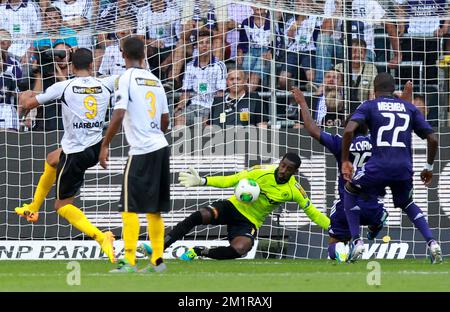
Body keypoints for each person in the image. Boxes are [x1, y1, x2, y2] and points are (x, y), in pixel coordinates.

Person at [16, 48, 117, 263]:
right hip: (96, 147)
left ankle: (101, 238)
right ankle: (33, 209)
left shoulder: (64, 86)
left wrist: (24, 99)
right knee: (52, 158)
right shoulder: (107, 83)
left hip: (76, 153)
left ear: (71, 66)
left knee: (62, 207)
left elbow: (30, 104)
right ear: (92, 66)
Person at [141, 153, 330, 261]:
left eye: (288, 169)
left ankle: (200, 251)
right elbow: (231, 180)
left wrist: (333, 227)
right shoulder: (260, 172)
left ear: (295, 171)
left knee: (241, 249)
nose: (283, 170)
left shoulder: (294, 190)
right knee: (200, 215)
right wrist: (203, 181)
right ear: (280, 163)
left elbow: (312, 212)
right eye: (282, 165)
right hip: (232, 206)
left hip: (250, 221)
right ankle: (159, 247)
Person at [341, 73, 442, 263]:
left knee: (350, 189)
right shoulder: (410, 107)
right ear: (394, 89)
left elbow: (348, 130)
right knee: (407, 203)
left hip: (377, 166)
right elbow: (433, 138)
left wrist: (345, 160)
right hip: (403, 168)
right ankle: (432, 242)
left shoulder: (369, 105)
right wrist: (428, 167)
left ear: (374, 89)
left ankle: (356, 242)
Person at [99, 37, 170, 273]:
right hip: (160, 146)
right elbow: (165, 121)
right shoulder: (156, 80)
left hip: (141, 150)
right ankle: (158, 260)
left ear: (122, 54)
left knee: (128, 207)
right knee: (154, 209)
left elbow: (119, 114)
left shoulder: (126, 78)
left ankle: (128, 261)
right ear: (144, 54)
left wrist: (105, 144)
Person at [292, 87, 388, 261]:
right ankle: (377, 222)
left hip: (346, 207)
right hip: (371, 206)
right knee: (380, 212)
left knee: (333, 242)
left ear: (347, 127)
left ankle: (343, 253)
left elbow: (312, 129)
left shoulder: (341, 142)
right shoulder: (378, 142)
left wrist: (302, 103)